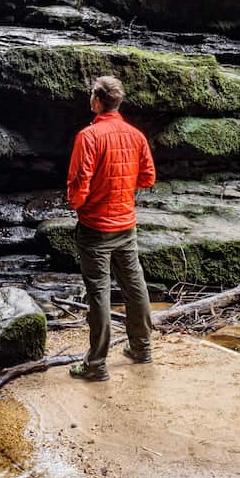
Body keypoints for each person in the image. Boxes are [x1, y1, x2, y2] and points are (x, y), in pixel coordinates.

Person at [65, 75, 156, 382]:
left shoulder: (88, 137)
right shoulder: (136, 136)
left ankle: (95, 364)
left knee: (99, 294)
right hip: (126, 225)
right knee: (134, 287)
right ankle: (142, 348)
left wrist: (78, 205)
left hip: (95, 228)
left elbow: (79, 182)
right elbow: (147, 178)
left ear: (96, 101)